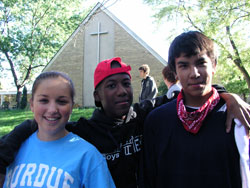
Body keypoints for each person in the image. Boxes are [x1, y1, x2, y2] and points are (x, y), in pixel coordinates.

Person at [0, 57, 250, 188]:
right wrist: (6, 149)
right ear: (96, 96)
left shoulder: (145, 116)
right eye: (111, 85)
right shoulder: (84, 132)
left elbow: (186, 93)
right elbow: (45, 122)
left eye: (126, 83)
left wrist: (227, 96)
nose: (121, 91)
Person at [142, 31, 250, 188]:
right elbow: (149, 178)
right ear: (174, 71)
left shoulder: (238, 117)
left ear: (214, 65)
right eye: (184, 65)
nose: (194, 73)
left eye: (201, 63)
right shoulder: (157, 121)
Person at [1, 71, 115, 188]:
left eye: (62, 102)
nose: (52, 109)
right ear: (32, 104)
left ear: (71, 107)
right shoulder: (11, 148)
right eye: (44, 100)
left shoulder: (88, 156)